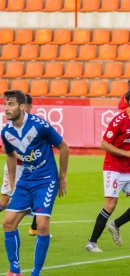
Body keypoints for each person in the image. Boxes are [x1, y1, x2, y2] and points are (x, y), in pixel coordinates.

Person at [1, 90, 69, 275]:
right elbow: (9, 156)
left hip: (46, 179)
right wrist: (13, 184)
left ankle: (36, 272)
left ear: (22, 107)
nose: (7, 108)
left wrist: (62, 176)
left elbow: (63, 147)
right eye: (5, 104)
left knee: (42, 224)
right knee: (8, 222)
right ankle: (15, 270)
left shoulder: (39, 125)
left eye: (11, 104)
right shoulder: (6, 132)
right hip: (26, 179)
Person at [86, 87, 130, 253]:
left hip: (129, 169)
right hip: (113, 169)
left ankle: (115, 224)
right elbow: (103, 144)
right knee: (110, 204)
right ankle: (91, 243)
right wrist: (127, 153)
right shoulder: (119, 121)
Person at [0, 94, 50, 238]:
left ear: (29, 106)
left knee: (38, 196)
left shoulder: (35, 124)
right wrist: (23, 156)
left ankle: (35, 227)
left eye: (26, 105)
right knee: (5, 200)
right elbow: (9, 150)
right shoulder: (12, 125)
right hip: (16, 167)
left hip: (31, 169)